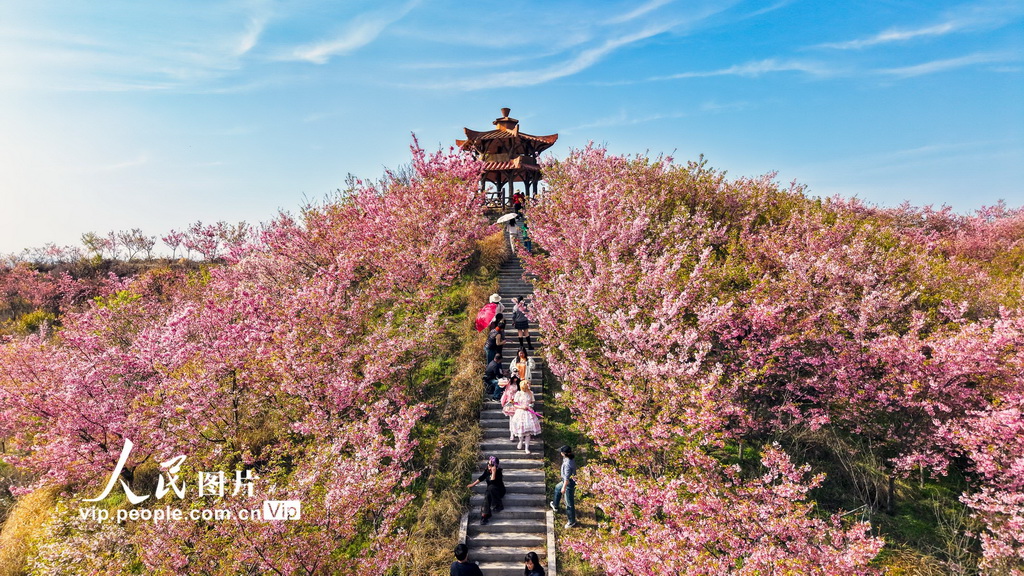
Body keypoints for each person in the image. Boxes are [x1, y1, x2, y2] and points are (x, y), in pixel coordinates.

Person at [467, 456, 505, 525]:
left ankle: (499, 505)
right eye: (488, 464)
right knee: (487, 495)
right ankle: (484, 516)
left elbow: (492, 482)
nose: (488, 466)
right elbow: (482, 477)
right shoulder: (487, 470)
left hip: (499, 491)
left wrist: (493, 472)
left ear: (495, 466)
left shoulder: (498, 472)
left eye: (491, 465)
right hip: (490, 491)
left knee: (491, 488)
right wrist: (473, 484)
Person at [550, 445, 577, 528]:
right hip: (566, 481)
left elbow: (567, 478)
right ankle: (555, 505)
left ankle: (571, 521)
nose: (560, 453)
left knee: (569, 503)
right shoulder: (568, 458)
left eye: (562, 452)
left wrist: (564, 487)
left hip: (569, 483)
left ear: (565, 454)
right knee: (557, 488)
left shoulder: (568, 464)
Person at [510, 381, 541, 453]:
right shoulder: (518, 393)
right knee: (520, 430)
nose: (528, 386)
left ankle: (527, 448)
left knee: (528, 433)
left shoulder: (531, 393)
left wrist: (530, 406)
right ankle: (520, 441)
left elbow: (532, 402)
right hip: (520, 412)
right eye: (527, 385)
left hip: (529, 413)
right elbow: (515, 404)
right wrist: (521, 407)